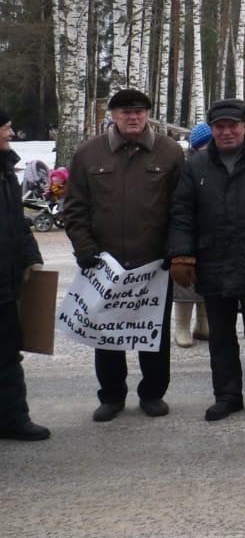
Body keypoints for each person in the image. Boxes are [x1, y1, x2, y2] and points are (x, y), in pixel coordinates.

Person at [168, 99, 245, 421]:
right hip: (214, 261)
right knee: (220, 337)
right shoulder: (195, 166)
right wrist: (182, 254)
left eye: (232, 125)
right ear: (211, 129)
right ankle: (227, 396)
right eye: (219, 126)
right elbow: (182, 213)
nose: (226, 132)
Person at [62, 89, 185, 422]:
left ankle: (153, 394)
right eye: (126, 112)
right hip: (106, 265)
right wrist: (85, 249)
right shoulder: (88, 154)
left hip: (154, 265)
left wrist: (175, 249)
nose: (134, 117)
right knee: (108, 334)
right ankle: (112, 396)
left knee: (152, 335)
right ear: (113, 116)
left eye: (140, 111)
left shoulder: (170, 152)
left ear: (147, 114)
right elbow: (74, 208)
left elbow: (181, 207)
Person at [0, 109, 48, 441]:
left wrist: (31, 258)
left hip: (5, 283)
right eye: (5, 128)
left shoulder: (5, 172)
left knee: (7, 352)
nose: (11, 133)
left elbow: (17, 223)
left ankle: (14, 419)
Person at [172, 123, 211, 348]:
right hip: (188, 230)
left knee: (208, 280)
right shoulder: (187, 168)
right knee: (185, 281)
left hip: (211, 231)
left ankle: (203, 324)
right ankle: (182, 326)